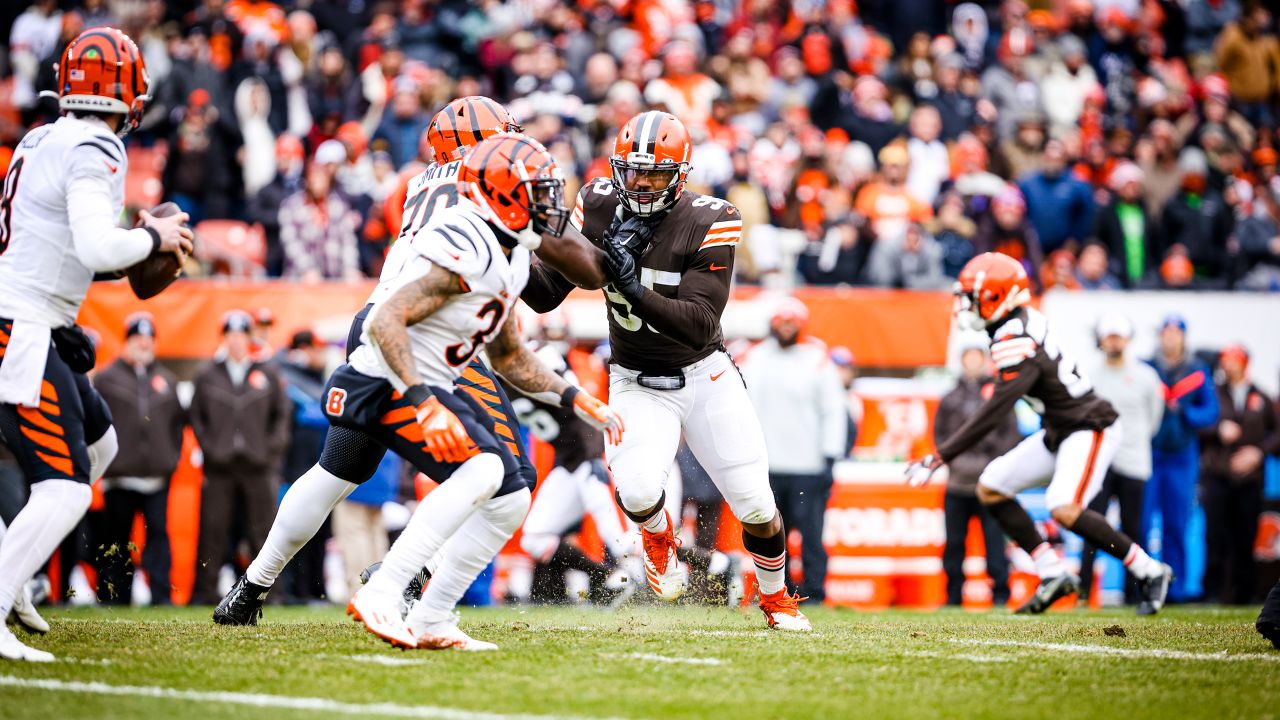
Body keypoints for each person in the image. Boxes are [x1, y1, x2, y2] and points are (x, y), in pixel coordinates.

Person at [213, 97, 609, 632]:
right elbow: (542, 284)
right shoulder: (479, 202)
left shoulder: (425, 184)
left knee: (338, 471)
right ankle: (408, 581)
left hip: (380, 318)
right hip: (422, 334)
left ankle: (252, 586)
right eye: (505, 142)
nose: (516, 156)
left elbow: (516, 313)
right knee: (506, 475)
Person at [523, 111, 813, 631]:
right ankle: (659, 542)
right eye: (632, 172)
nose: (640, 183)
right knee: (634, 489)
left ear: (680, 174)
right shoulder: (599, 204)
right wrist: (516, 245)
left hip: (705, 375)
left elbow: (700, 325)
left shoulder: (711, 217)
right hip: (634, 378)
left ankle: (776, 597)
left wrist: (631, 286)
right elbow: (544, 295)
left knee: (754, 504)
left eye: (654, 174)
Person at [330, 134, 621, 650]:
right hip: (386, 378)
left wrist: (573, 397)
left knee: (511, 498)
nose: (550, 206)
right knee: (484, 469)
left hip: (431, 377)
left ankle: (433, 617)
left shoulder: (510, 252)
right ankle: (385, 590)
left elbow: (509, 355)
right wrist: (423, 402)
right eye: (539, 193)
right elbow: (386, 321)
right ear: (503, 195)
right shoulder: (468, 239)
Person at [0, 28, 191, 661]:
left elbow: (67, 247)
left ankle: (16, 570)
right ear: (130, 91)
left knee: (101, 442)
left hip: (34, 319)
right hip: (18, 327)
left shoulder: (41, 137)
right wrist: (154, 238)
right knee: (67, 488)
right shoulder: (96, 145)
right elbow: (97, 249)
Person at [908, 253, 1172, 616]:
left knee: (1063, 506)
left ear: (998, 296)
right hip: (1060, 429)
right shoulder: (1014, 325)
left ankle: (1149, 570)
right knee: (992, 485)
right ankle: (1052, 573)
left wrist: (942, 455)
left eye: (973, 296)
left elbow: (997, 408)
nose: (965, 305)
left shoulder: (1015, 335)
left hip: (1088, 426)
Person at [514, 320, 634, 606]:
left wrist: (594, 455)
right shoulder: (493, 374)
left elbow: (576, 402)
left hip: (590, 456)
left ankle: (705, 563)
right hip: (567, 463)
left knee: (621, 539)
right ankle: (605, 577)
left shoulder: (537, 355)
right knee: (534, 538)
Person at [742, 298, 848, 603]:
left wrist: (830, 455)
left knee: (812, 531)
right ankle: (779, 588)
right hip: (768, 463)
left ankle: (815, 590)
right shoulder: (756, 357)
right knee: (772, 532)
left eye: (791, 322)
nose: (786, 328)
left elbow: (833, 410)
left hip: (808, 464)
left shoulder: (817, 359)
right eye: (781, 321)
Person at [189, 310, 290, 604]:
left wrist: (269, 451)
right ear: (224, 338)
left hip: (258, 466)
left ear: (249, 338)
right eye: (230, 335)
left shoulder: (267, 373)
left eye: (241, 335)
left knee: (264, 532)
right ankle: (204, 592)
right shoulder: (207, 374)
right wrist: (210, 449)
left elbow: (281, 417)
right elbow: (196, 417)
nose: (235, 341)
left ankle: (270, 594)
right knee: (212, 531)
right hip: (220, 467)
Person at [93, 313, 185, 606]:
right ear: (127, 342)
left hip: (156, 476)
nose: (144, 345)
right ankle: (114, 597)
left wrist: (169, 460)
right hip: (119, 474)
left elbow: (177, 427)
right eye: (137, 339)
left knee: (158, 538)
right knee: (116, 540)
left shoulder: (167, 380)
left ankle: (160, 596)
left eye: (148, 340)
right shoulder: (106, 379)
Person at [1080, 313, 1164, 604]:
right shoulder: (1089, 374)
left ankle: (1134, 592)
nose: (1114, 341)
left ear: (1127, 339)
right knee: (1090, 526)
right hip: (1099, 462)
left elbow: (1155, 417)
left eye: (1118, 336)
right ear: (1101, 339)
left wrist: (1134, 442)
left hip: (1134, 462)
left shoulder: (1145, 376)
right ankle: (1084, 591)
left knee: (1134, 529)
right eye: (1109, 336)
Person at [933, 335, 1018, 608]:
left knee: (994, 543)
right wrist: (956, 463)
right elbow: (940, 437)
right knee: (954, 543)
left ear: (985, 360)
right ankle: (953, 595)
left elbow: (1010, 435)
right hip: (958, 483)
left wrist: (992, 465)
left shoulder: (998, 395)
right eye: (968, 357)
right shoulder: (950, 398)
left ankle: (1001, 594)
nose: (972, 362)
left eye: (977, 356)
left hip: (988, 483)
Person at [1146, 315, 1219, 602]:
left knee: (1175, 523)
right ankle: (1141, 585)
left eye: (1176, 333)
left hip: (1181, 457)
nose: (1171, 338)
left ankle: (1175, 588)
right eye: (1167, 332)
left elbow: (1210, 412)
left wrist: (1184, 412)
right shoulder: (1148, 367)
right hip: (1150, 454)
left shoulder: (1198, 370)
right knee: (1140, 523)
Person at [1201, 345, 1277, 605]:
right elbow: (1197, 424)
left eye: (1235, 360)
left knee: (1245, 536)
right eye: (1226, 360)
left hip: (1249, 480)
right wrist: (1217, 429)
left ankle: (1246, 592)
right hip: (1217, 475)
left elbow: (1276, 434)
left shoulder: (1261, 397)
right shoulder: (1213, 394)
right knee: (1215, 535)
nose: (1230, 365)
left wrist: (1258, 452)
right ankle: (1213, 591)